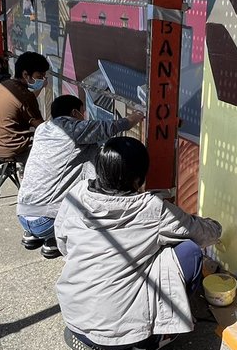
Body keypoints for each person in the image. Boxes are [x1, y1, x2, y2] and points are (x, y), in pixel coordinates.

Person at [54, 137, 223, 350]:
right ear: (138, 178)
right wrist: (218, 227)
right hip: (123, 333)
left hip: (74, 317)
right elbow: (203, 234)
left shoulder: (77, 193)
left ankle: (101, 337)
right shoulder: (152, 208)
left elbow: (63, 242)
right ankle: (150, 341)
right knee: (190, 251)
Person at [17, 94, 144, 259]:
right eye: (83, 112)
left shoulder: (42, 128)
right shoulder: (72, 129)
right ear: (74, 113)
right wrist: (138, 114)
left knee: (85, 152)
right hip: (45, 220)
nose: (84, 117)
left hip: (23, 213)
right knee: (91, 163)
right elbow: (113, 126)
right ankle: (53, 238)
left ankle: (36, 235)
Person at [0, 51, 49, 164]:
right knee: (51, 148)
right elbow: (42, 127)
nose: (43, 80)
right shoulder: (25, 95)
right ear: (25, 75)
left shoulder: (3, 85)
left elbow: (22, 103)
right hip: (7, 149)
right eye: (39, 77)